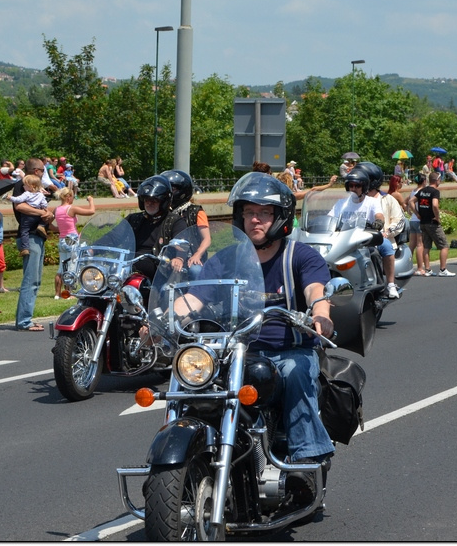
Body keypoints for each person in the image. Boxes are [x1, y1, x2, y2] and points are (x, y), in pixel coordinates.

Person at [175, 172, 334, 480]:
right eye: (249, 212)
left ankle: (306, 458)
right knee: (193, 377)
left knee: (298, 372)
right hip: (235, 352)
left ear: (280, 217)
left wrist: (320, 314)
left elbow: (316, 289)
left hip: (287, 350)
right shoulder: (228, 257)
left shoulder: (299, 256)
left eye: (264, 213)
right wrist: (162, 320)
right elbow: (195, 297)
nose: (255, 220)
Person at [330, 166, 399, 298]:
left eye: (357, 185)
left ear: (364, 187)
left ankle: (390, 284)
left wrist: (378, 222)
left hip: (366, 237)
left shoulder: (372, 202)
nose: (353, 189)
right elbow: (330, 217)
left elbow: (379, 215)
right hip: (343, 238)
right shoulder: (341, 203)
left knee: (386, 246)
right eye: (351, 185)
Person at [14, 158, 55, 332]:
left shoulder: (37, 188)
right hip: (28, 237)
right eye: (43, 170)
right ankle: (23, 321)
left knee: (36, 281)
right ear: (37, 171)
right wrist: (42, 212)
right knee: (30, 280)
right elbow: (20, 207)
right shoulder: (22, 185)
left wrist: (49, 216)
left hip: (38, 237)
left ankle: (27, 318)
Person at [124, 175, 188, 281]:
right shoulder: (134, 219)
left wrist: (179, 258)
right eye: (146, 199)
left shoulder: (174, 221)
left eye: (154, 200)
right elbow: (113, 236)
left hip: (159, 269)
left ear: (164, 201)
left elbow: (182, 242)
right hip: (129, 266)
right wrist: (92, 249)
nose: (149, 203)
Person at [161, 169, 210, 273]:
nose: (168, 193)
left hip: (191, 255)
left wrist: (197, 255)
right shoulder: (164, 212)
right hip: (168, 256)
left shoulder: (196, 211)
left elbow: (207, 239)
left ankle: (197, 289)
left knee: (195, 271)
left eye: (172, 190)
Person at [52, 188, 96, 298]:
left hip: (62, 240)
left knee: (61, 268)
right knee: (72, 267)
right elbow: (91, 211)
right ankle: (69, 293)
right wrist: (91, 200)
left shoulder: (56, 210)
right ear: (68, 197)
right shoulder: (71, 209)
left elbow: (48, 223)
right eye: (72, 196)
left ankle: (57, 294)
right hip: (72, 240)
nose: (73, 199)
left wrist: (60, 230)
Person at [416, 172, 454, 277]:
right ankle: (443, 269)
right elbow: (435, 205)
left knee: (426, 246)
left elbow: (410, 201)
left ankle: (427, 269)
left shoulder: (422, 191)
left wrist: (417, 214)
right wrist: (437, 217)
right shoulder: (435, 192)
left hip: (423, 222)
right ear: (437, 180)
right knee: (444, 246)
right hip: (432, 223)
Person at [8, 174, 49, 257]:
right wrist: (44, 209)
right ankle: (41, 226)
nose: (23, 186)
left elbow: (18, 199)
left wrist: (10, 198)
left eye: (25, 185)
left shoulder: (27, 194)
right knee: (44, 217)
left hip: (27, 216)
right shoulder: (40, 195)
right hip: (38, 217)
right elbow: (44, 204)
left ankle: (25, 248)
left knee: (24, 231)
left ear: (31, 186)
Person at [406, 173, 428, 276]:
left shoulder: (413, 191)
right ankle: (420, 267)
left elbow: (407, 201)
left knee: (411, 245)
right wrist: (417, 213)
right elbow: (410, 202)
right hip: (419, 220)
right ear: (424, 181)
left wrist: (409, 211)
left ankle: (407, 265)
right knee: (420, 244)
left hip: (412, 221)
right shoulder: (421, 191)